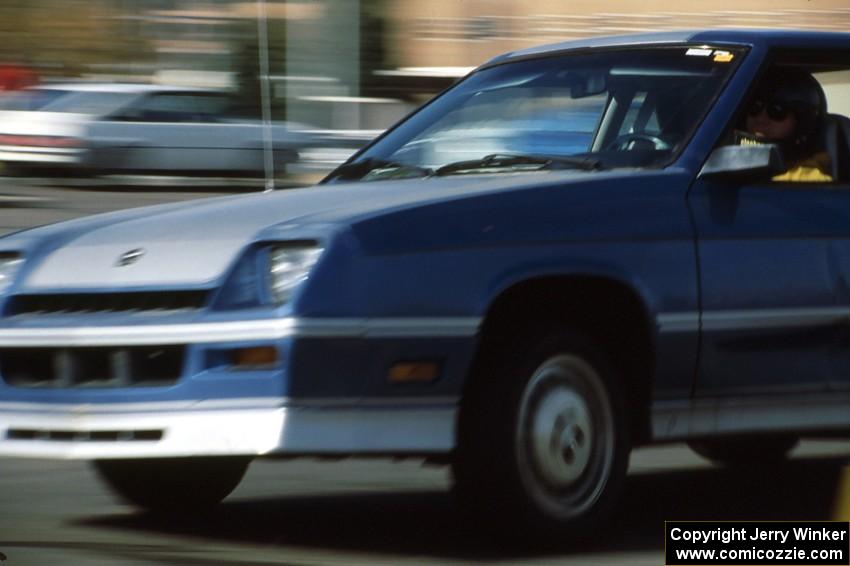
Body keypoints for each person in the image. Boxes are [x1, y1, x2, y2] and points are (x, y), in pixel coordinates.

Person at [738, 68, 832, 182]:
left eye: (777, 111)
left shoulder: (809, 182)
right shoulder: (722, 164)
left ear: (802, 123)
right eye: (754, 108)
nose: (761, 119)